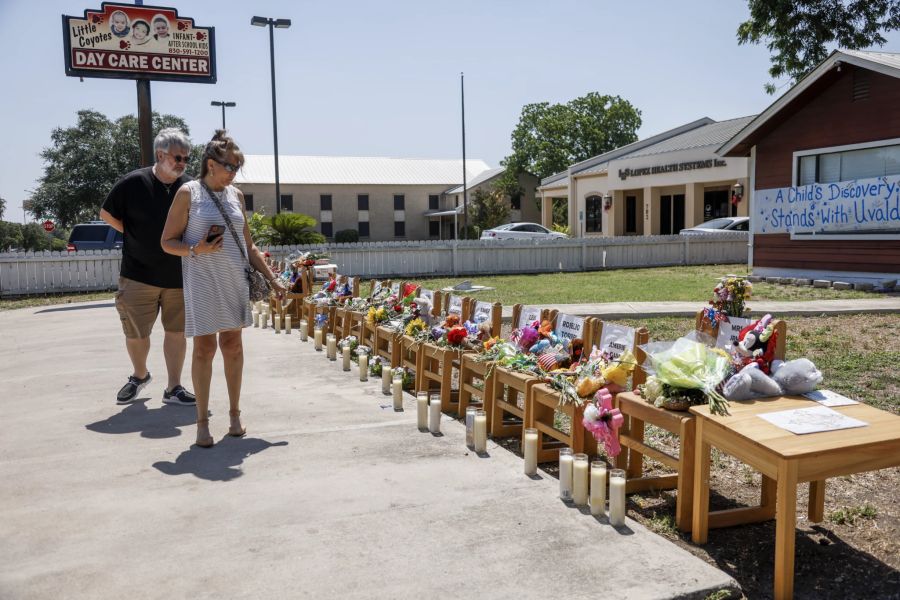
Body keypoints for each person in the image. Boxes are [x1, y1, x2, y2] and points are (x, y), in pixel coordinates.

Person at [161, 130, 286, 448]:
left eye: (236, 167)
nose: (233, 172)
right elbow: (167, 242)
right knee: (204, 349)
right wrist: (196, 249)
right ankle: (202, 422)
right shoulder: (188, 193)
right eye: (229, 166)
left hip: (233, 281)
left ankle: (234, 415)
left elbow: (249, 244)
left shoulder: (237, 196)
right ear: (210, 164)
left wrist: (273, 279)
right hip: (202, 281)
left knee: (233, 347)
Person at [100, 128, 196, 408]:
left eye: (186, 159)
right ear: (160, 154)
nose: (182, 164)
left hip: (178, 275)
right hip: (138, 274)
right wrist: (132, 233)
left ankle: (174, 387)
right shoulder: (132, 182)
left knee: (176, 333)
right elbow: (106, 213)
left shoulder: (189, 187)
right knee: (136, 334)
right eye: (177, 157)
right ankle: (139, 376)